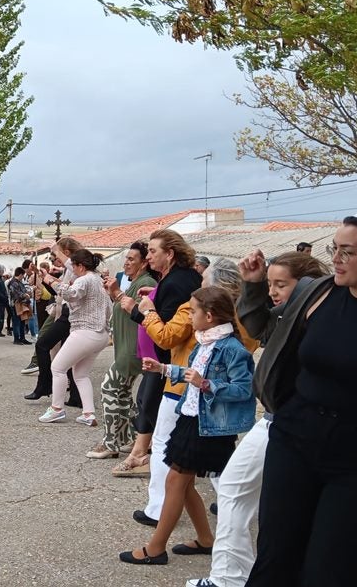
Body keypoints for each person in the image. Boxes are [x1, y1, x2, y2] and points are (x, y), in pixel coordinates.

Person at [241, 211, 357, 587]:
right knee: (275, 558)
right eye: (333, 248)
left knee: (331, 572)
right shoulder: (317, 292)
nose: (336, 259)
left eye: (348, 252)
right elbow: (265, 332)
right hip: (295, 439)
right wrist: (255, 287)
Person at [186, 251, 327, 587]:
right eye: (270, 284)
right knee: (238, 491)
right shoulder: (288, 315)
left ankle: (230, 578)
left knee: (247, 496)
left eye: (281, 284)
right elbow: (257, 323)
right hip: (278, 419)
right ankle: (231, 575)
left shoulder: (319, 319)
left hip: (290, 422)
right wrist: (253, 286)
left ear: (308, 285)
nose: (274, 291)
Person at [120, 286, 256, 566]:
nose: (188, 316)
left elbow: (243, 389)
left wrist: (206, 384)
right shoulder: (205, 342)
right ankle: (206, 540)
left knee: (175, 481)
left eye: (192, 311)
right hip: (191, 418)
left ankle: (156, 548)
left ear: (209, 316)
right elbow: (192, 374)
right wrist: (164, 370)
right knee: (185, 484)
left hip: (207, 426)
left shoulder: (232, 348)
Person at [112, 229, 202, 480]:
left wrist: (135, 310)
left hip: (165, 356)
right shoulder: (174, 277)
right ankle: (146, 450)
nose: (148, 256)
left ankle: (143, 455)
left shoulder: (177, 281)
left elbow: (168, 327)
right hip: (159, 354)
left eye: (153, 251)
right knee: (146, 399)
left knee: (149, 401)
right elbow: (162, 306)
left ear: (170, 253)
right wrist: (150, 296)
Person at [88, 241, 158, 459]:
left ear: (144, 262)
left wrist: (117, 294)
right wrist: (114, 293)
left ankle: (111, 443)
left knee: (110, 389)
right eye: (126, 258)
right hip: (127, 348)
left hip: (132, 349)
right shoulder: (136, 282)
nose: (126, 263)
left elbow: (136, 312)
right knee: (123, 394)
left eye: (131, 259)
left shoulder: (146, 282)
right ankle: (129, 437)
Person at [37, 249, 112, 427]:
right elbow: (107, 308)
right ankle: (88, 413)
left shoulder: (85, 279)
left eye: (74, 266)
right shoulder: (99, 281)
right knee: (80, 374)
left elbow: (70, 294)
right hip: (100, 334)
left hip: (85, 331)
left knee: (58, 367)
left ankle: (57, 409)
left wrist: (49, 280)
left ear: (80, 266)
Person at [23, 237, 84, 408]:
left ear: (66, 253)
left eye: (55, 255)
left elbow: (66, 287)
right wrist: (46, 277)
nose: (54, 259)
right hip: (66, 310)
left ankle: (45, 385)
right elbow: (60, 288)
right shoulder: (71, 269)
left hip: (68, 312)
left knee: (42, 343)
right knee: (69, 352)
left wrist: (55, 248)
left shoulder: (75, 266)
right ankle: (75, 396)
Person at [8, 266, 32, 345]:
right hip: (16, 304)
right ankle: (16, 339)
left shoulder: (18, 282)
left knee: (22, 321)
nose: (23, 277)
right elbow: (17, 294)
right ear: (20, 274)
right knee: (16, 322)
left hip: (22, 304)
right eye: (23, 275)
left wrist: (26, 294)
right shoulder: (13, 282)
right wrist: (25, 295)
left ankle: (22, 338)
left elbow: (23, 291)